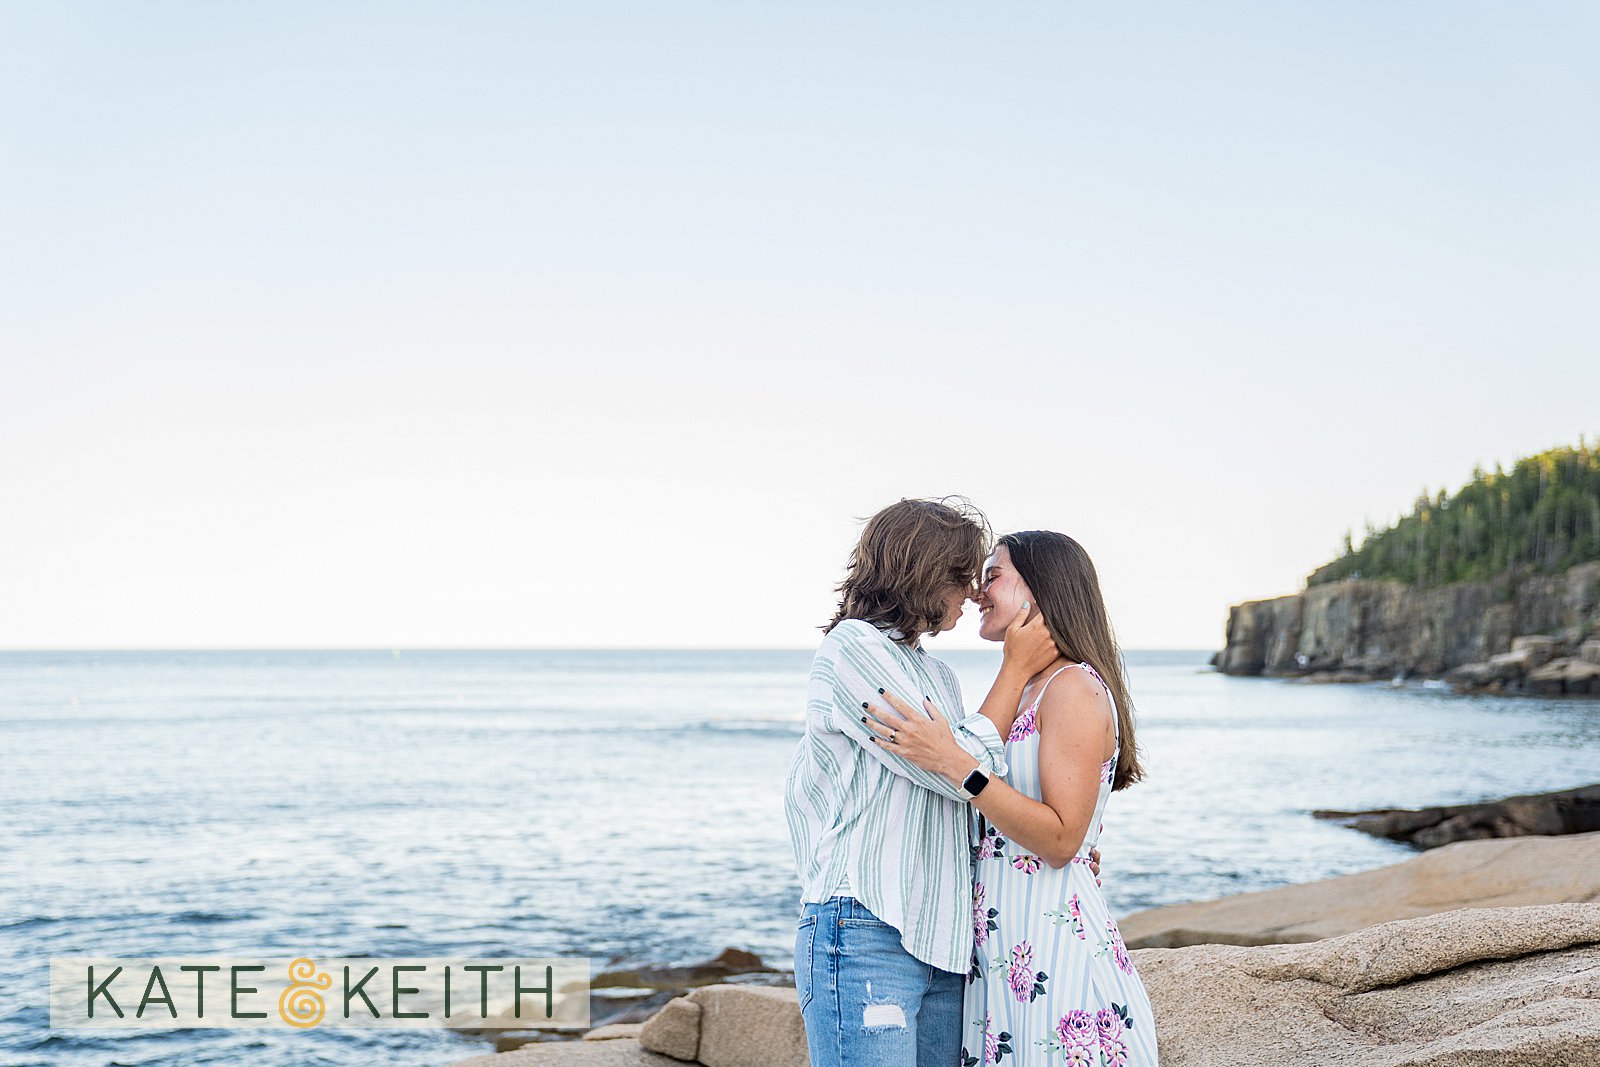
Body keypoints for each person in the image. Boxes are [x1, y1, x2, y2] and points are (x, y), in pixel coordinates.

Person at [784, 497, 1067, 1067]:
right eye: (961, 577)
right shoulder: (854, 648)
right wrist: (1014, 671)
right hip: (866, 927)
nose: (971, 593)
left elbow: (967, 780)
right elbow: (947, 770)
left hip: (945, 941)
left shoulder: (936, 674)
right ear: (921, 572)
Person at [862, 531, 1158, 1066]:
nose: (977, 590)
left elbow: (1064, 839)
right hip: (1005, 940)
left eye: (993, 575)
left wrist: (960, 767)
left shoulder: (1071, 687)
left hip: (1050, 939)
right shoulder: (1027, 689)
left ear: (1041, 592)